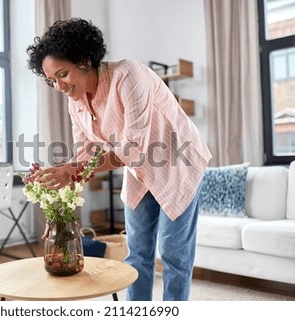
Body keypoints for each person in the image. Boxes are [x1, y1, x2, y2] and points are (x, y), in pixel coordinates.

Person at [26, 17, 212, 301]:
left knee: (174, 255)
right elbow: (85, 153)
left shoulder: (129, 76)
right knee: (137, 253)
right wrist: (63, 187)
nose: (59, 86)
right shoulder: (75, 101)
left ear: (84, 60)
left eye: (62, 74)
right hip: (140, 172)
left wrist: (72, 170)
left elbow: (133, 148)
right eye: (52, 81)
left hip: (178, 164)